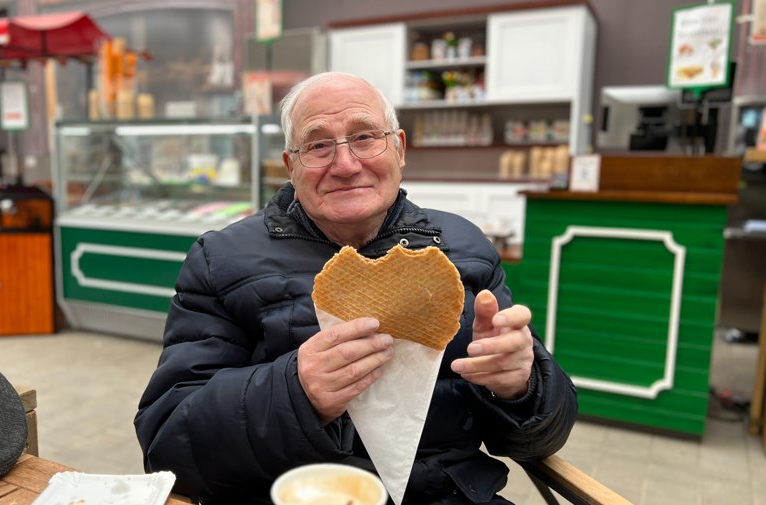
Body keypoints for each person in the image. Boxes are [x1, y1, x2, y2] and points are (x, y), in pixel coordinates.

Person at [135, 72, 577, 504]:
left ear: (399, 148)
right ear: (291, 166)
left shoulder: (464, 249)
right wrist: (294, 393)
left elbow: (541, 438)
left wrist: (522, 387)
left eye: (365, 137)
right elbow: (167, 445)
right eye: (318, 145)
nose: (345, 165)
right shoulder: (221, 260)